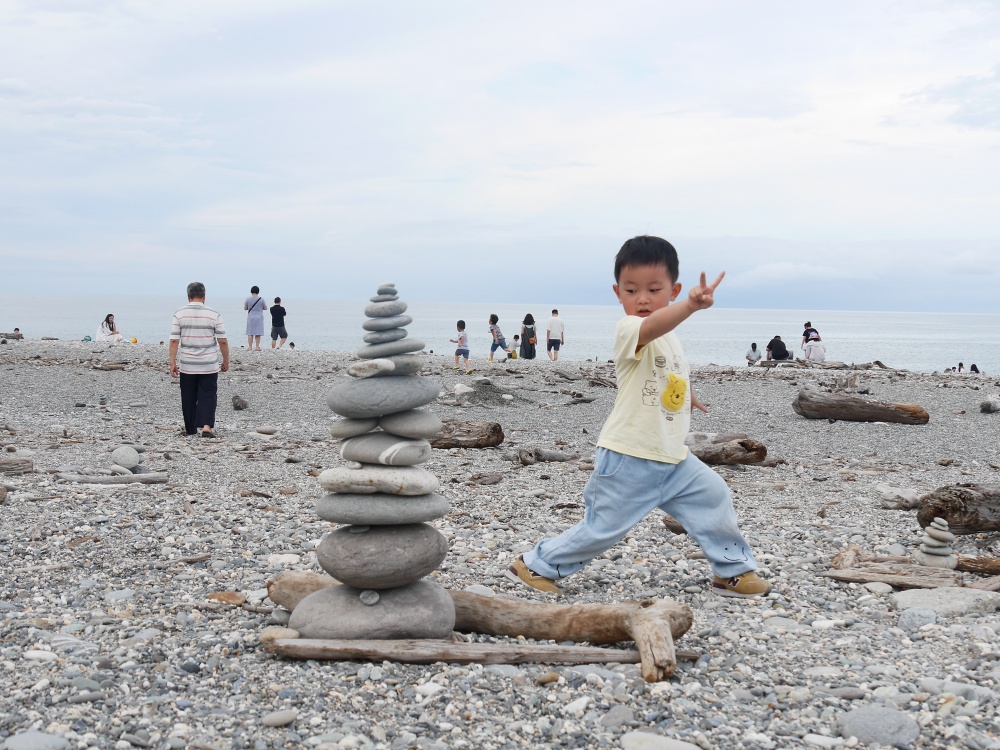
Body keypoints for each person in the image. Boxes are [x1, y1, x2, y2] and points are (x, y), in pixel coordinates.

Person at [507, 235, 769, 599]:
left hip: (671, 457)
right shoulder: (630, 328)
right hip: (629, 457)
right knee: (603, 528)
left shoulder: (670, 336)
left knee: (714, 495)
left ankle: (732, 571)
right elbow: (651, 330)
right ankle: (536, 564)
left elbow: (667, 368)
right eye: (632, 290)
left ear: (672, 289)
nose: (642, 299)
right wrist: (692, 305)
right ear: (618, 293)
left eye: (653, 289)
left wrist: (688, 395)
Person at [169, 282, 229, 438]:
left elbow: (174, 340)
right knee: (208, 394)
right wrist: (226, 360)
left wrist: (172, 363)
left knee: (188, 395)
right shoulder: (214, 314)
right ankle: (207, 427)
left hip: (188, 363)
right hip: (209, 363)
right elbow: (222, 340)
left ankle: (190, 428)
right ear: (204, 296)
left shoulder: (179, 314)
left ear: (188, 296)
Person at [244, 286, 267, 351]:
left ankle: (250, 347)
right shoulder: (261, 299)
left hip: (251, 317)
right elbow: (265, 308)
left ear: (251, 291)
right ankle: (257, 347)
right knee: (258, 332)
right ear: (258, 291)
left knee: (250, 332)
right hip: (259, 317)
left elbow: (245, 308)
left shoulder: (248, 299)